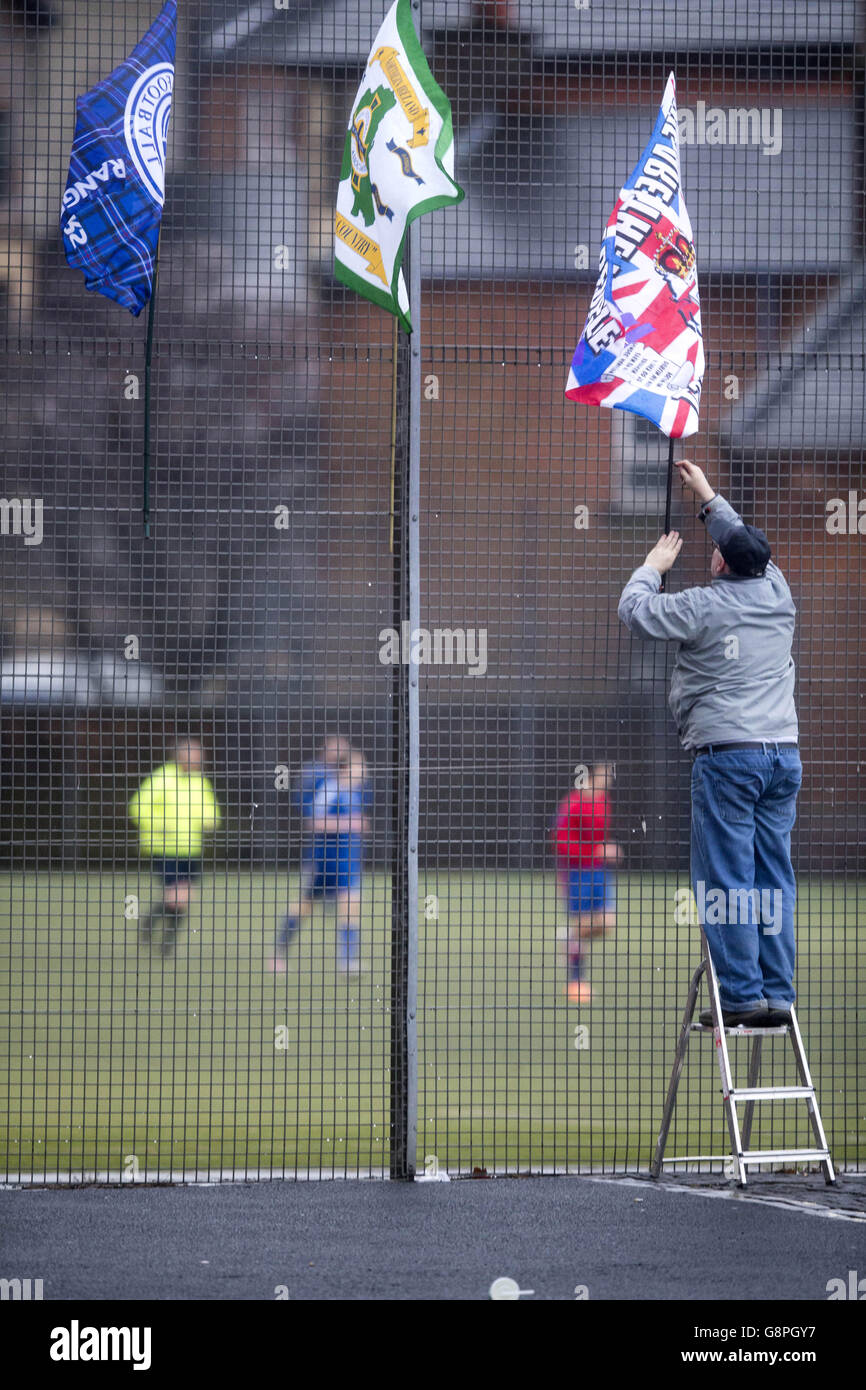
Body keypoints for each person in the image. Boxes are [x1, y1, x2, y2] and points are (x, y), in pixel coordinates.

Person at [617, 460, 801, 1027]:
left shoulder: (704, 604)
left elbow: (635, 613)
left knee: (725, 877)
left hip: (729, 756)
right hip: (783, 756)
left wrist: (651, 566)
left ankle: (741, 996)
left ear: (721, 561)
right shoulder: (778, 591)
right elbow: (745, 544)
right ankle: (777, 993)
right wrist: (707, 498)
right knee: (773, 874)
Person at [271, 737, 371, 975]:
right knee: (303, 907)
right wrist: (348, 823)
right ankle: (278, 953)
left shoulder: (356, 792)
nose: (363, 773)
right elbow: (313, 821)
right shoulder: (326, 788)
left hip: (348, 861)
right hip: (322, 859)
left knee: (350, 907)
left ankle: (348, 962)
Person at [129, 738, 221, 958]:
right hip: (163, 849)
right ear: (179, 756)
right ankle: (165, 940)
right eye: (193, 756)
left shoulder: (200, 782)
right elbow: (137, 807)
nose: (197, 761)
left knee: (182, 897)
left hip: (190, 850)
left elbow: (213, 814)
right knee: (177, 896)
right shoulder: (162, 778)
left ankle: (155, 926)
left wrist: (208, 821)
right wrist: (160, 826)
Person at [551, 762, 621, 1004]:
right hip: (576, 872)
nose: (608, 781)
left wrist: (605, 851)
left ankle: (568, 936)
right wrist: (596, 852)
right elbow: (560, 842)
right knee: (583, 928)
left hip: (599, 872)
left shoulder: (604, 803)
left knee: (606, 922)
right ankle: (576, 982)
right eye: (604, 776)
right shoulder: (573, 803)